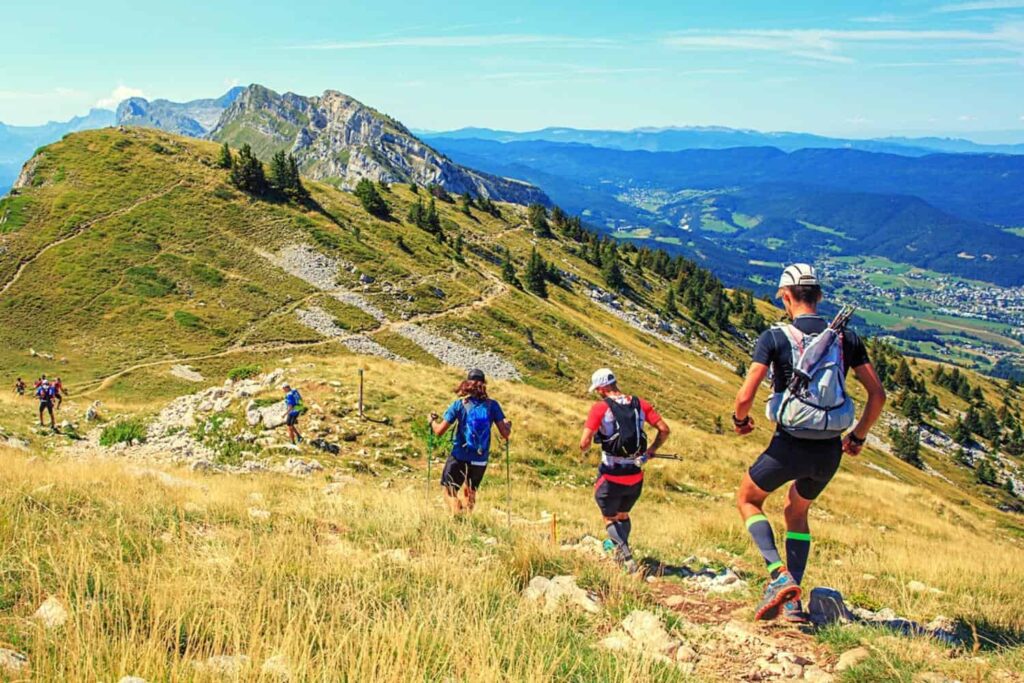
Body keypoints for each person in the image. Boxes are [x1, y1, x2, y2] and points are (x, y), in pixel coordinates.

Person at [732, 264, 886, 622]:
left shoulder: (775, 337)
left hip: (788, 445)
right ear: (818, 296)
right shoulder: (846, 338)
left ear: (787, 297)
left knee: (748, 499)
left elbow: (744, 396)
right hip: (829, 451)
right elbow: (877, 394)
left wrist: (741, 421)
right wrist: (858, 436)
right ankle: (792, 602)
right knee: (796, 511)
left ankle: (778, 575)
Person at [580, 368, 670, 574]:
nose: (597, 393)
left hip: (611, 474)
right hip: (635, 474)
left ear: (602, 388)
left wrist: (593, 442)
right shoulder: (641, 404)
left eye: (597, 390)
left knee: (609, 516)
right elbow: (664, 429)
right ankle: (622, 553)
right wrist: (651, 451)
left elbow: (583, 443)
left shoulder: (600, 408)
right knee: (623, 515)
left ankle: (626, 556)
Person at [428, 368, 511, 515]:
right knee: (471, 491)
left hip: (460, 455)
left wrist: (431, 422)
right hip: (480, 458)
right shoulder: (492, 405)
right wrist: (508, 426)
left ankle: (456, 512)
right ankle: (467, 521)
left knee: (449, 490)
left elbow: (439, 431)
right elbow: (505, 434)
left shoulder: (459, 404)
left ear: (466, 384)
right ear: (484, 384)